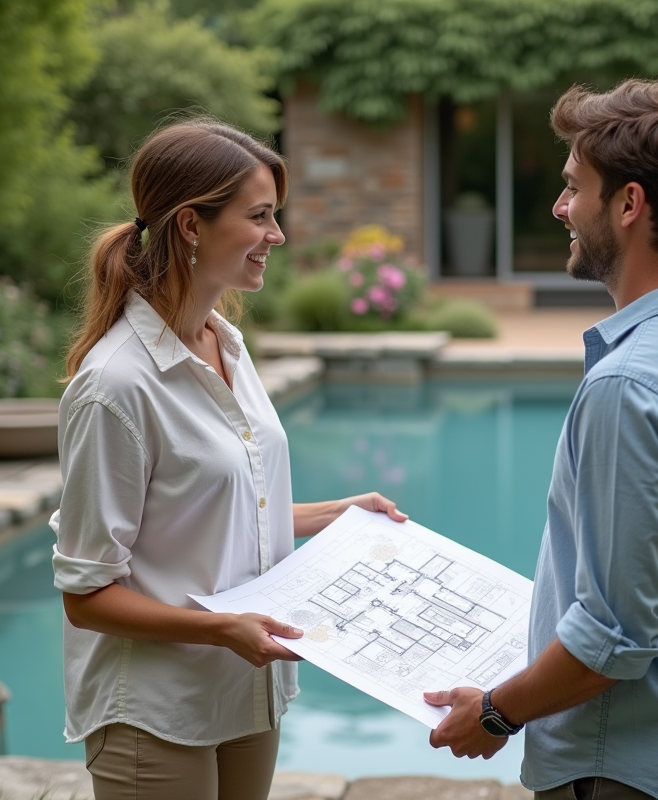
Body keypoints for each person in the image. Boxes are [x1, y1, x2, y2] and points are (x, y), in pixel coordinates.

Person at [424, 79, 658, 800]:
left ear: (628, 205)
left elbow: (613, 641)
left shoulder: (629, 386)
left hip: (621, 771)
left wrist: (496, 714)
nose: (560, 208)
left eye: (574, 188)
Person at [49, 118, 406, 800]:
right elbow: (88, 595)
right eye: (261, 217)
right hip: (155, 711)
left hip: (247, 692)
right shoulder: (116, 385)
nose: (277, 236)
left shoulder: (227, 345)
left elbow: (226, 504)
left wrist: (340, 514)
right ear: (191, 226)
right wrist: (222, 628)